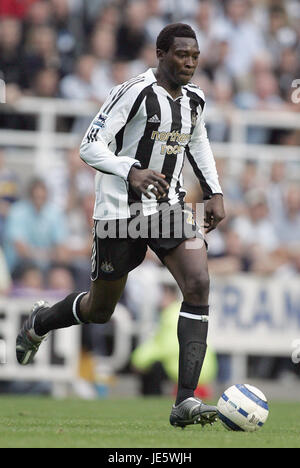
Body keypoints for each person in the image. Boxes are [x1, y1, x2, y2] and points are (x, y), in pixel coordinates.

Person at [16, 23, 225, 428]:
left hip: (167, 208)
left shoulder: (195, 100)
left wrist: (214, 191)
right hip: (118, 214)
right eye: (182, 55)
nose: (190, 63)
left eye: (195, 57)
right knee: (99, 309)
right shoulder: (132, 92)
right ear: (160, 54)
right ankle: (39, 322)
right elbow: (89, 145)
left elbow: (197, 140)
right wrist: (130, 170)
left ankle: (184, 400)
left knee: (198, 283)